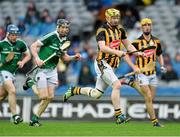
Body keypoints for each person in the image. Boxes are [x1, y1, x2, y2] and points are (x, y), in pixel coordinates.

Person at [63, 8, 144, 124]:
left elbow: (128, 45)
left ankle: (74, 90)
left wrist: (137, 53)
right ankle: (119, 115)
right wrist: (117, 52)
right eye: (113, 18)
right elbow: (102, 47)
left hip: (112, 66)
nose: (116, 20)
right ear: (107, 18)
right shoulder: (101, 30)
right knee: (117, 85)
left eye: (117, 18)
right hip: (102, 63)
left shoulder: (120, 29)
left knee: (97, 94)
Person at [23, 19, 81, 127]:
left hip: (53, 70)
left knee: (50, 97)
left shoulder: (64, 40)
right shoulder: (51, 36)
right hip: (41, 69)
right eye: (62, 27)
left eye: (66, 28)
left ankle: (34, 120)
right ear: (58, 27)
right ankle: (30, 83)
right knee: (43, 96)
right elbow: (33, 46)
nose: (64, 30)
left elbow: (64, 57)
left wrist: (74, 57)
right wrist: (37, 58)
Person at [122, 18, 166, 127]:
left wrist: (162, 65)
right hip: (141, 74)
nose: (147, 27)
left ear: (151, 26)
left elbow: (159, 54)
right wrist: (133, 67)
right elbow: (126, 55)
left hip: (153, 74)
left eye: (149, 25)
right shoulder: (137, 42)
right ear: (142, 27)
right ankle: (155, 122)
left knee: (151, 98)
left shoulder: (156, 41)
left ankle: (131, 83)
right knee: (149, 97)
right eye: (145, 25)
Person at [0, 24, 31, 124]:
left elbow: (28, 55)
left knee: (1, 97)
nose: (14, 37)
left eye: (16, 35)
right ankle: (15, 116)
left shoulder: (21, 44)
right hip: (3, 72)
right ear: (8, 34)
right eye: (12, 35)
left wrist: (22, 62)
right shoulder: (2, 44)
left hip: (12, 74)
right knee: (12, 90)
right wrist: (4, 61)